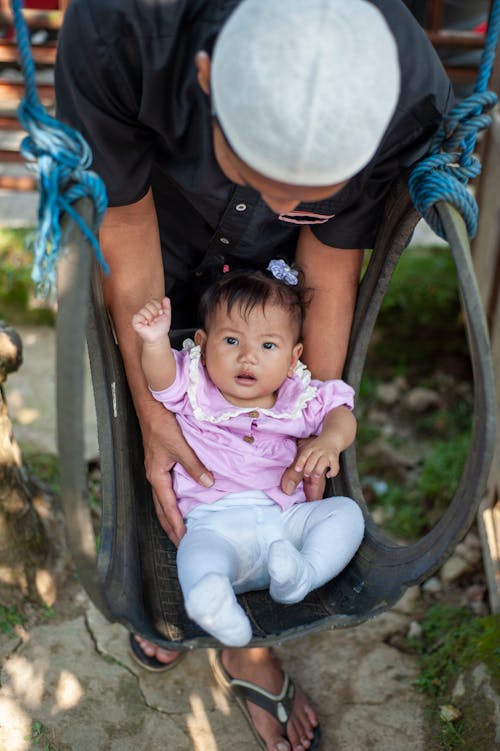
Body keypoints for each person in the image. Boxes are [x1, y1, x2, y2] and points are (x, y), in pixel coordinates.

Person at [55, 1, 454, 749]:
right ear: (206, 77)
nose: (286, 208)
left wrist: (309, 420)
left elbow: (327, 275)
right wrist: (155, 419)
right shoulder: (124, 30)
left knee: (305, 508)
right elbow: (125, 223)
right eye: (263, 179)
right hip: (158, 240)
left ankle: (244, 637)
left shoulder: (404, 90)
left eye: (310, 199)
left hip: (282, 298)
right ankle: (184, 587)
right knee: (152, 411)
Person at [132, 263, 365, 647]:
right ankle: (214, 602)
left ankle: (302, 575)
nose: (248, 357)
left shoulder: (299, 397)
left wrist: (331, 442)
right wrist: (155, 340)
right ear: (204, 345)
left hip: (286, 525)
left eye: (268, 345)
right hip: (215, 524)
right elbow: (159, 379)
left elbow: (341, 414)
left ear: (293, 358)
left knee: (345, 515)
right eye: (231, 342)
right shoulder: (194, 388)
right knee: (196, 553)